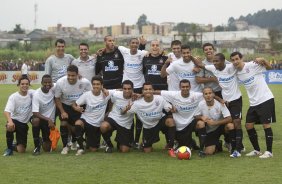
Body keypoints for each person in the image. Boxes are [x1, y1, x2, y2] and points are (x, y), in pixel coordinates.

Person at [192, 53, 244, 158]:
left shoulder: (231, 67)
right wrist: (191, 56)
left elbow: (242, 64)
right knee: (227, 123)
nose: (214, 63)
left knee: (235, 122)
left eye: (217, 61)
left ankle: (237, 148)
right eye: (214, 61)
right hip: (225, 100)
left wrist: (259, 60)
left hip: (235, 99)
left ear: (223, 61)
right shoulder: (213, 68)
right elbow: (201, 64)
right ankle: (222, 143)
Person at [230, 52, 276, 158]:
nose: (235, 61)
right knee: (248, 125)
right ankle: (257, 150)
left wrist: (263, 60)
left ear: (242, 58)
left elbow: (269, 68)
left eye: (237, 59)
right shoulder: (236, 72)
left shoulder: (252, 65)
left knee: (266, 124)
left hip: (265, 99)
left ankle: (269, 152)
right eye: (233, 60)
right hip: (253, 102)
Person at [122, 82, 176, 157]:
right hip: (148, 127)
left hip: (160, 121)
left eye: (150, 89)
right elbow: (122, 113)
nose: (148, 91)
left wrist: (173, 110)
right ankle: (144, 144)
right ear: (142, 91)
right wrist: (125, 110)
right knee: (147, 150)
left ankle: (171, 147)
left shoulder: (160, 99)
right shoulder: (137, 104)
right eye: (146, 89)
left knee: (170, 121)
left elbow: (170, 109)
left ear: (153, 90)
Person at [157, 79, 205, 157]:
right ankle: (172, 147)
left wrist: (221, 100)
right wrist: (141, 95)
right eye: (183, 87)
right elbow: (157, 92)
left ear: (190, 87)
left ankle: (201, 150)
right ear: (179, 87)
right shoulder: (174, 95)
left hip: (191, 122)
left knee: (201, 123)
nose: (185, 88)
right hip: (178, 124)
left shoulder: (196, 95)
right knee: (183, 144)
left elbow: (210, 94)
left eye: (187, 86)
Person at [72, 76, 115, 155]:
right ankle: (81, 148)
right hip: (86, 120)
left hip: (96, 124)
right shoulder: (87, 95)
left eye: (98, 84)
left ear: (102, 85)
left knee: (93, 149)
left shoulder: (107, 93)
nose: (95, 86)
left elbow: (120, 90)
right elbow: (74, 104)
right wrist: (76, 108)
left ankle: (88, 141)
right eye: (94, 84)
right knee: (78, 123)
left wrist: (137, 94)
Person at [54, 65, 92, 155]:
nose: (70, 77)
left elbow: (90, 94)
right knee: (63, 123)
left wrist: (82, 105)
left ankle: (80, 146)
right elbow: (57, 98)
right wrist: (62, 111)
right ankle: (65, 147)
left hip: (78, 106)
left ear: (77, 74)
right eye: (69, 75)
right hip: (65, 106)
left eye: (73, 75)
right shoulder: (60, 82)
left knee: (76, 126)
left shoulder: (84, 82)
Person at [118, 37, 147, 149]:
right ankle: (129, 140)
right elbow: (112, 46)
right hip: (127, 88)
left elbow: (153, 53)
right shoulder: (123, 50)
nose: (134, 45)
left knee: (139, 115)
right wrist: (101, 51)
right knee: (128, 113)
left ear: (138, 45)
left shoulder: (142, 53)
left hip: (139, 87)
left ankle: (136, 141)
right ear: (129, 44)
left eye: (136, 43)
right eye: (132, 43)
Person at [194, 87, 237, 155]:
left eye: (210, 93)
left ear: (213, 94)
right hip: (211, 130)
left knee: (230, 125)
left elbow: (229, 118)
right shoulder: (201, 104)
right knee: (208, 152)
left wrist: (215, 123)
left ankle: (233, 149)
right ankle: (217, 144)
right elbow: (195, 116)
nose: (208, 95)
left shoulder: (220, 104)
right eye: (206, 94)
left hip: (221, 127)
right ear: (203, 96)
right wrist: (201, 117)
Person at [100, 80, 135, 153]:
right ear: (122, 89)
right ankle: (109, 145)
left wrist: (126, 110)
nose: (127, 91)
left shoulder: (135, 98)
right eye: (125, 89)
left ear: (132, 89)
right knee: (103, 126)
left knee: (124, 150)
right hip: (114, 118)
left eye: (129, 89)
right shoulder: (116, 94)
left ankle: (120, 142)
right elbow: (111, 100)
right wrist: (109, 110)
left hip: (126, 124)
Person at [3, 77, 34, 156]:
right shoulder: (13, 97)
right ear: (18, 85)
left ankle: (14, 145)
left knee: (21, 150)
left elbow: (42, 92)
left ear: (29, 85)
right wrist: (10, 122)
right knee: (9, 126)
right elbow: (6, 111)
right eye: (22, 84)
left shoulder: (32, 94)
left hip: (23, 124)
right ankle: (9, 149)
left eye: (27, 84)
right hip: (14, 120)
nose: (25, 86)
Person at [31, 74, 56, 155]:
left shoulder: (54, 88)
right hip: (41, 118)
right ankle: (36, 147)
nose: (47, 84)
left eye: (49, 82)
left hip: (50, 121)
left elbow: (63, 82)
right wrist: (48, 119)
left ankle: (42, 140)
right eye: (45, 82)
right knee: (35, 120)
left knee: (47, 149)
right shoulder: (37, 94)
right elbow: (35, 113)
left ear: (52, 82)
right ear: (41, 82)